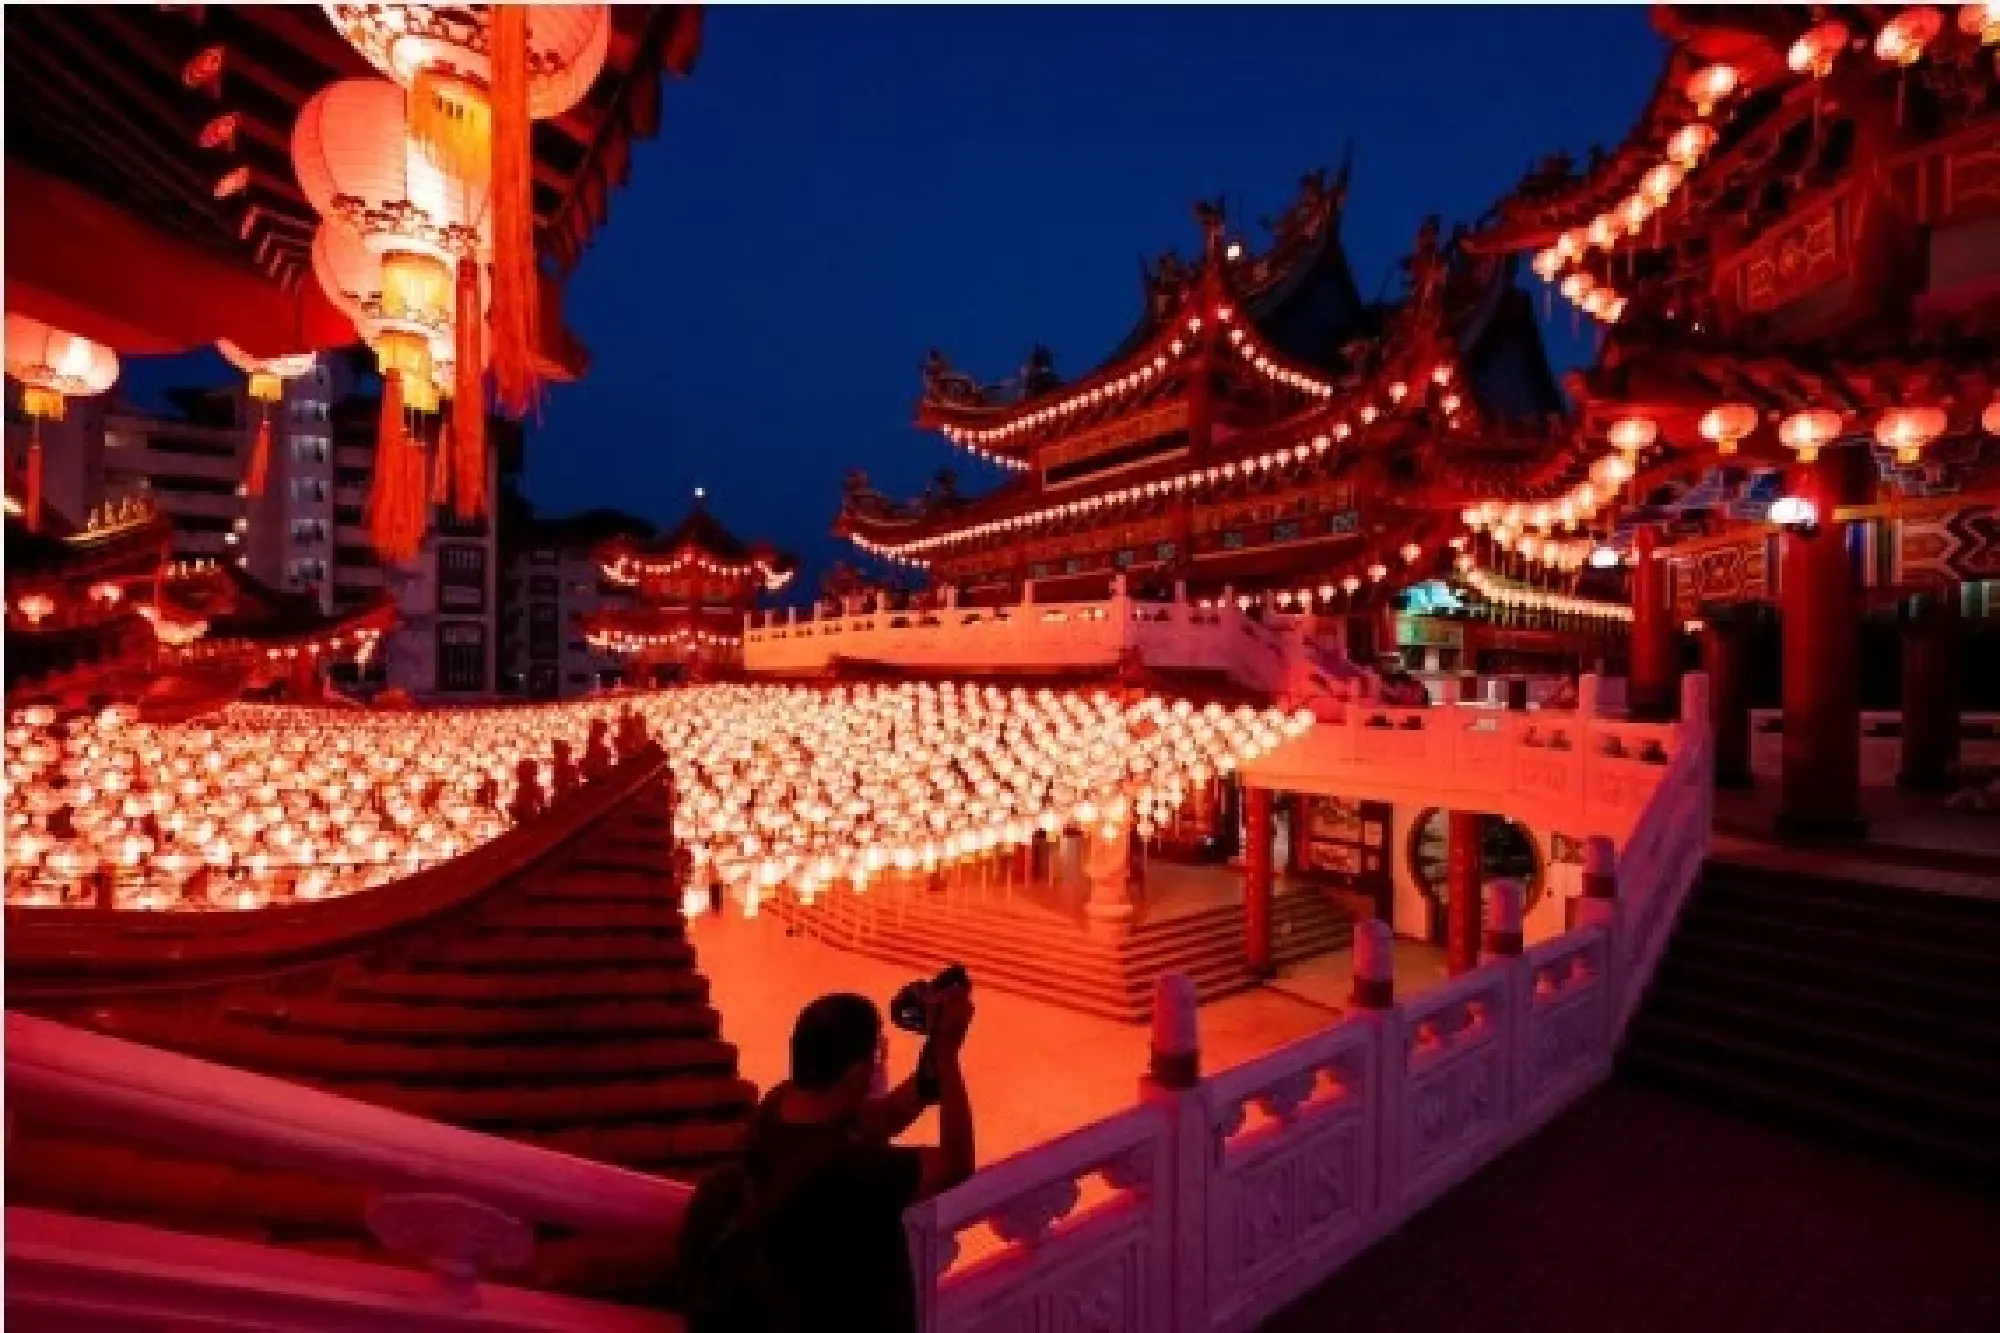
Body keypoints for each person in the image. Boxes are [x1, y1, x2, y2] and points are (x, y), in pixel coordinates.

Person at [677, 986, 975, 1333]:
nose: (878, 1065)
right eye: (874, 1055)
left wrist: (930, 1068)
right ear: (853, 1075)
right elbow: (955, 1164)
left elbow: (880, 1117)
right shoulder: (853, 1170)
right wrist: (949, 1057)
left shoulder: (778, 1109)